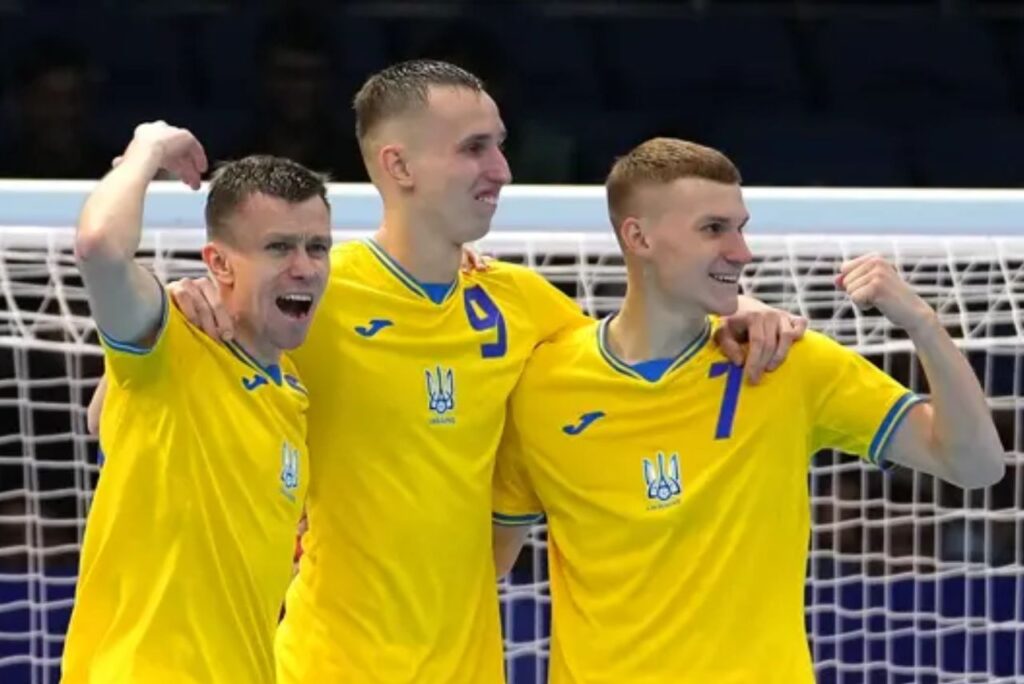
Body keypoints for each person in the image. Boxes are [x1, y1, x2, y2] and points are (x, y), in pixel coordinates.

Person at [140, 60, 806, 684]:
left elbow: (640, 342)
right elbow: (124, 407)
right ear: (397, 165)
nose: (503, 170)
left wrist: (739, 306)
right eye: (474, 148)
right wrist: (187, 303)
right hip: (328, 662)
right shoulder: (312, 294)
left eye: (499, 144)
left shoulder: (521, 303)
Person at [490, 137, 1006, 684]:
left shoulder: (787, 361)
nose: (742, 252)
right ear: (637, 236)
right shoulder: (542, 385)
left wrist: (923, 323)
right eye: (714, 229)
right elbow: (488, 567)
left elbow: (976, 466)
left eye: (741, 227)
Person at [63, 121, 332, 683]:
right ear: (219, 262)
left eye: (317, 247)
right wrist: (146, 149)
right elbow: (98, 247)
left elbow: (103, 419)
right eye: (278, 247)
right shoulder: (176, 341)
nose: (304, 266)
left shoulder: (291, 394)